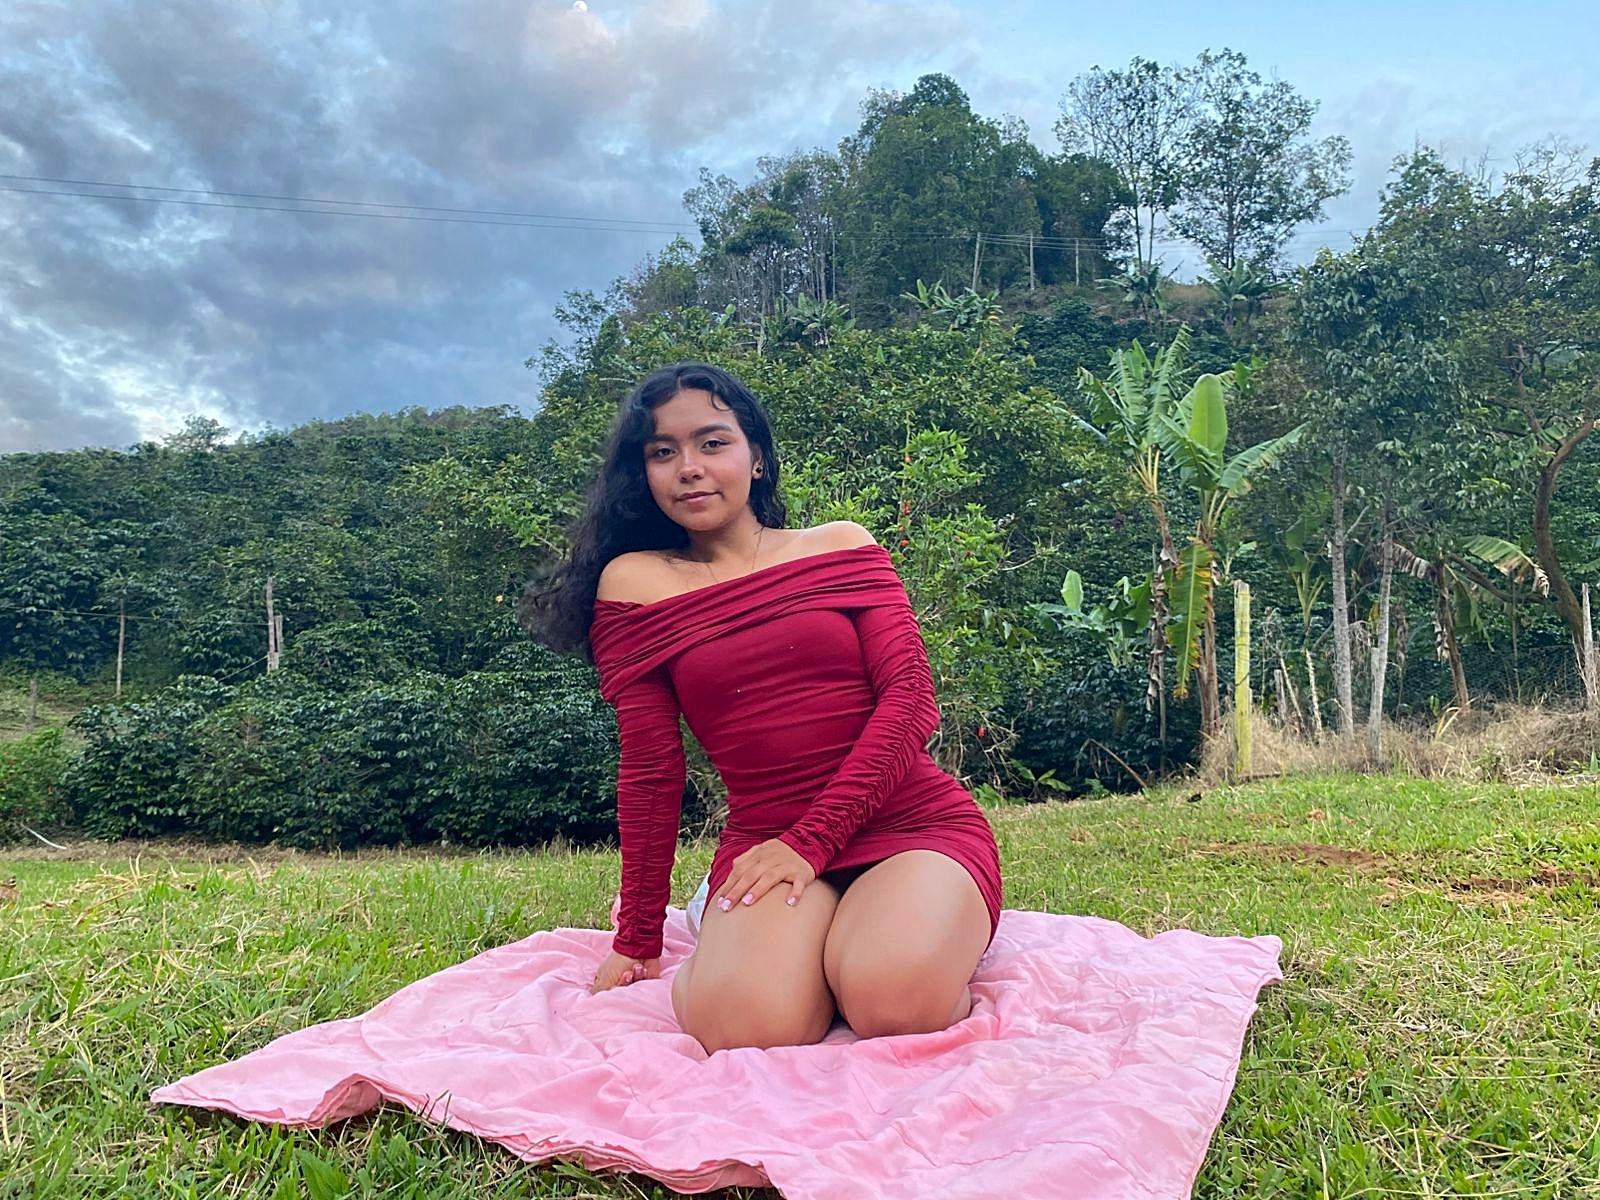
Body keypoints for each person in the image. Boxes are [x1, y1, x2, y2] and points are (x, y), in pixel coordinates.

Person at [520, 362, 1002, 1053]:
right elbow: (653, 769)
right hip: (765, 843)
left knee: (893, 1001)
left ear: (757, 458)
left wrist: (810, 844)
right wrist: (638, 938)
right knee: (743, 1027)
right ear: (643, 474)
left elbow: (910, 703)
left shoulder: (839, 546)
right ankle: (767, 937)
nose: (689, 467)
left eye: (712, 443)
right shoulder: (633, 585)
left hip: (911, 824)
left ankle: (902, 931)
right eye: (663, 451)